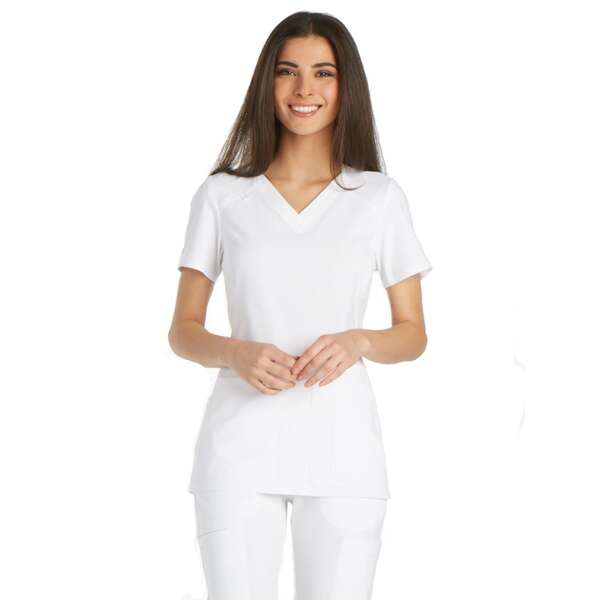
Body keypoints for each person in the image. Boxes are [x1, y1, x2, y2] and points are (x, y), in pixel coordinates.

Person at [168, 11, 432, 600]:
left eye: (323, 73)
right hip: (237, 452)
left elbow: (413, 333)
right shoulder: (222, 195)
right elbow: (183, 330)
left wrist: (360, 341)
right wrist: (234, 353)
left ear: (346, 86)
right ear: (267, 82)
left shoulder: (379, 198)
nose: (304, 89)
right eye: (287, 71)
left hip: (344, 451)